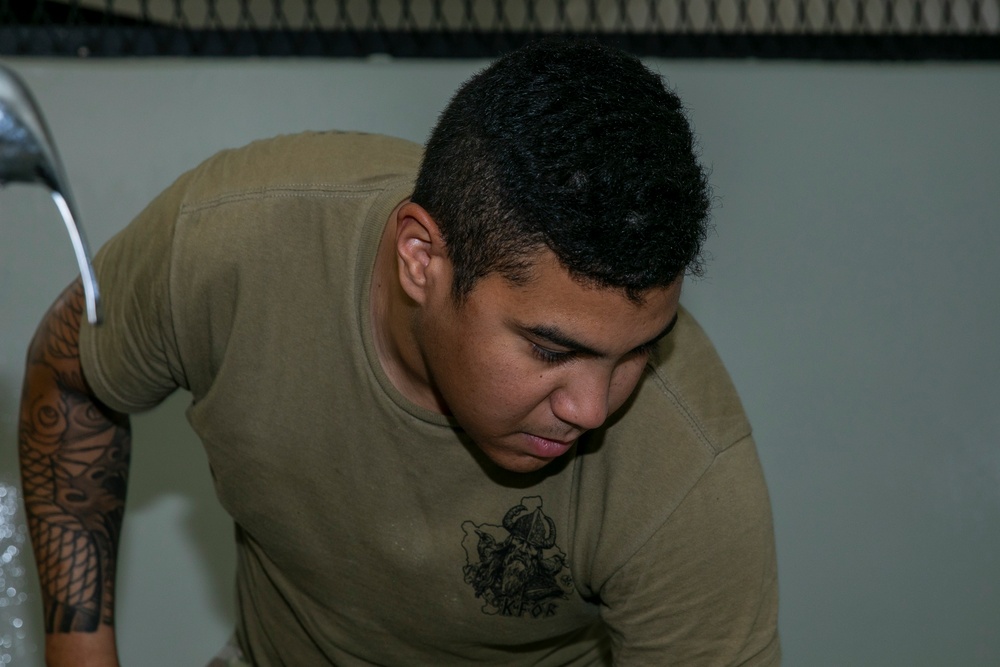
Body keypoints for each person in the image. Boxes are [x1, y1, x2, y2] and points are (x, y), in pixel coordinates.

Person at [18, 38, 780, 666]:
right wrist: (78, 649)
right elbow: (74, 377)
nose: (593, 406)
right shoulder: (234, 247)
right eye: (551, 348)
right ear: (421, 258)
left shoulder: (687, 469)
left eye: (639, 350)